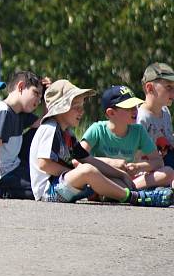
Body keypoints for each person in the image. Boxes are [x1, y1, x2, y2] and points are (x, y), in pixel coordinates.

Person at [29, 79, 171, 206]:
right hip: (49, 192)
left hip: (64, 184)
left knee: (117, 181)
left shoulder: (68, 134)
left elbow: (88, 159)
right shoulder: (50, 128)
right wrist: (76, 172)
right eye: (76, 107)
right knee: (87, 170)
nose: (81, 111)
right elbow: (44, 163)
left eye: (82, 106)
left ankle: (126, 193)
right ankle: (134, 197)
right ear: (61, 109)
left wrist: (120, 174)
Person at [81, 85, 174, 191]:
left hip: (129, 181)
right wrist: (111, 163)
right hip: (103, 179)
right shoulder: (97, 129)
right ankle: (123, 191)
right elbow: (78, 159)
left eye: (135, 106)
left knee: (168, 172)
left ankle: (121, 191)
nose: (135, 110)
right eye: (129, 108)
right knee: (89, 173)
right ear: (111, 113)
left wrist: (138, 167)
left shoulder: (138, 131)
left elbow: (158, 162)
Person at [0, 70, 43, 199]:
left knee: (40, 133)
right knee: (40, 189)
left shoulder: (19, 113)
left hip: (13, 168)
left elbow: (44, 124)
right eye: (36, 93)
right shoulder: (2, 111)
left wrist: (48, 98)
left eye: (41, 97)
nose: (38, 100)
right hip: (1, 176)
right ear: (21, 87)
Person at [137, 63, 174, 168]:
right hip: (148, 167)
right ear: (149, 88)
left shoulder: (165, 111)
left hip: (166, 161)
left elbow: (169, 142)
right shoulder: (141, 117)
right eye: (168, 87)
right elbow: (137, 155)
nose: (173, 92)